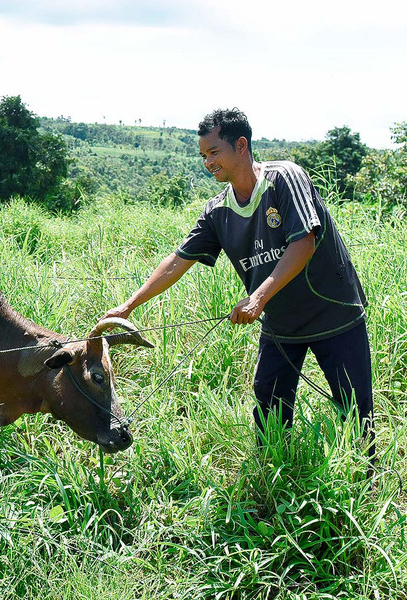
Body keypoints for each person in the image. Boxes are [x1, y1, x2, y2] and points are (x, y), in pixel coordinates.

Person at [103, 108, 373, 454]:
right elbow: (177, 261)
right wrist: (128, 307)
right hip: (281, 326)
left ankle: (368, 476)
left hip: (334, 316)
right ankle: (273, 478)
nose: (208, 162)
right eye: (203, 155)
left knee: (356, 411)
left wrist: (258, 298)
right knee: (269, 413)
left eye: (214, 152)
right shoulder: (218, 211)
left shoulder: (283, 179)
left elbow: (304, 243)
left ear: (241, 145)